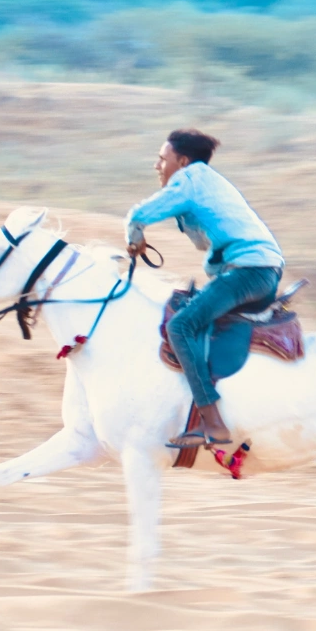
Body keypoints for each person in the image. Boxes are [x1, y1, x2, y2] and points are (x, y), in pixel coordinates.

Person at [126, 129, 284, 448]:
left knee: (180, 326)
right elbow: (203, 240)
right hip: (262, 270)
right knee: (196, 318)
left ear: (183, 161)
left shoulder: (191, 178)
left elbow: (139, 215)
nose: (157, 166)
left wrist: (134, 236)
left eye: (162, 159)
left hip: (248, 272)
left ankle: (212, 423)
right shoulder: (205, 181)